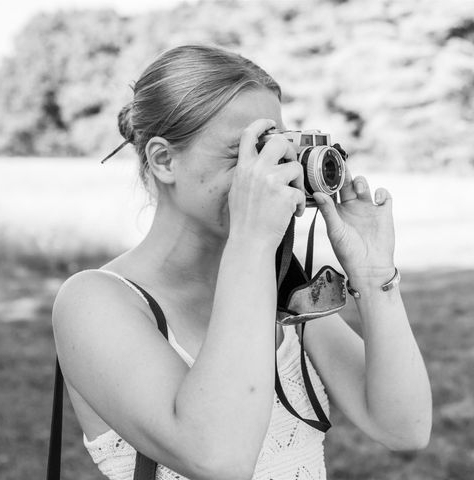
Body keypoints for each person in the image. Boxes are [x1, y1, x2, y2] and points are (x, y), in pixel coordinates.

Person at [51, 44, 432, 480]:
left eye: (278, 151)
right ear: (164, 160)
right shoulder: (94, 301)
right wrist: (252, 242)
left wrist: (375, 277)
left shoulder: (277, 283)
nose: (271, 175)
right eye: (246, 153)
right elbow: (218, 459)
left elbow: (405, 427)